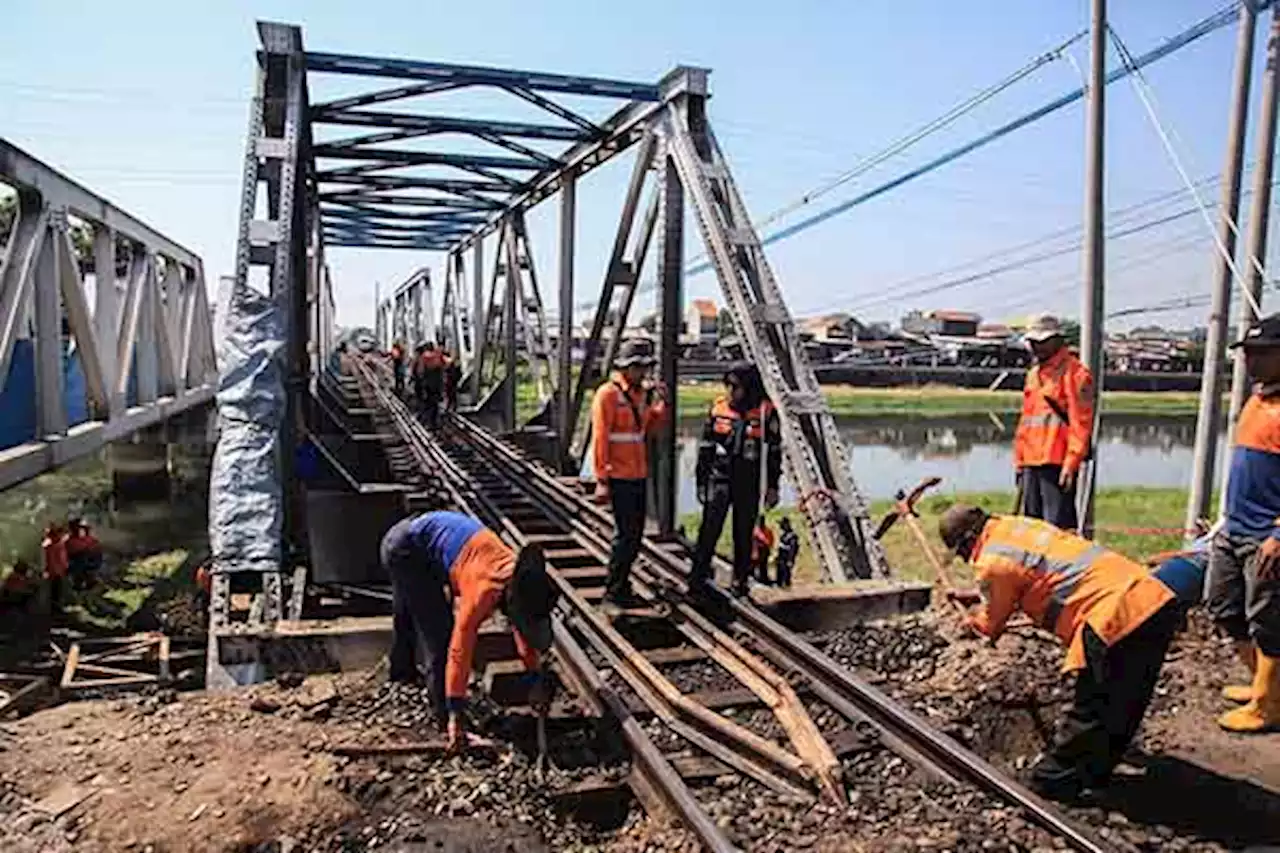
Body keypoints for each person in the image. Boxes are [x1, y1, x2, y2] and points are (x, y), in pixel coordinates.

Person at [939, 504, 1185, 802]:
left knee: (1092, 707)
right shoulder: (1019, 527)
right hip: (1152, 599)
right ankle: (1095, 773)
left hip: (1111, 616)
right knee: (1125, 704)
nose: (967, 561)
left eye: (963, 554)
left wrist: (971, 619)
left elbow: (989, 626)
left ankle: (1048, 783)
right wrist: (983, 594)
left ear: (967, 541)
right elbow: (1033, 573)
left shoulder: (992, 562)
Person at [379, 511, 560, 751]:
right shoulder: (483, 592)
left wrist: (533, 677)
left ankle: (401, 672)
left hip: (420, 539)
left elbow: (522, 628)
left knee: (411, 610)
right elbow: (458, 650)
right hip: (405, 549)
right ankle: (446, 721)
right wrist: (456, 711)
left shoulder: (517, 577)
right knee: (439, 637)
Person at [1206, 312, 1280, 734]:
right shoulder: (1257, 397)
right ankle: (1263, 685)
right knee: (1223, 605)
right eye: (1249, 353)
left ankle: (1269, 706)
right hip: (1234, 527)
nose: (1252, 360)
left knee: (1268, 620)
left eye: (1263, 353)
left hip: (1266, 536)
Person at [689, 364, 781, 597]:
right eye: (727, 385)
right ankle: (697, 579)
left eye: (736, 386)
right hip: (719, 479)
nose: (731, 391)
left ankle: (740, 581)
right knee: (709, 530)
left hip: (748, 481)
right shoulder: (718, 408)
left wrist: (772, 486)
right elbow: (705, 449)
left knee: (743, 533)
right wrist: (701, 482)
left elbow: (774, 454)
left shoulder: (765, 411)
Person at [590, 339, 668, 609]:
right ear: (627, 367)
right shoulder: (608, 394)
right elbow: (600, 438)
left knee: (635, 535)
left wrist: (660, 405)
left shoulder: (640, 395)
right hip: (619, 476)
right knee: (625, 535)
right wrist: (601, 480)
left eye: (645, 368)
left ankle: (622, 586)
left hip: (638, 474)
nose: (643, 374)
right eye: (639, 368)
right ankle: (613, 592)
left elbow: (647, 430)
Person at [1013, 314, 1095, 531]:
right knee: (1032, 528)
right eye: (1033, 342)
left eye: (1042, 341)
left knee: (1058, 530)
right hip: (1031, 460)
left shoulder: (1075, 373)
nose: (1036, 347)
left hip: (1057, 462)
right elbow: (1026, 422)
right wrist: (1019, 462)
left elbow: (1081, 423)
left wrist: (1071, 463)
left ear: (1057, 340)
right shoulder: (1033, 375)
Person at [65, 518, 102, 590]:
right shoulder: (71, 541)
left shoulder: (91, 540)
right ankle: (80, 582)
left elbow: (97, 548)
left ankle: (88, 580)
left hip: (90, 563)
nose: (81, 531)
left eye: (83, 529)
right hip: (78, 565)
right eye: (79, 529)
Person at [41, 522, 69, 612]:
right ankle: (56, 608)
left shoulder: (55, 545)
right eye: (65, 535)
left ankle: (55, 607)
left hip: (56, 571)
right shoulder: (56, 546)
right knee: (56, 591)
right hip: (56, 572)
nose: (67, 537)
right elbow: (56, 560)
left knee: (55, 591)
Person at [418, 342, 446, 429]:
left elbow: (420, 371)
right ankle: (435, 422)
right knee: (435, 403)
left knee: (428, 403)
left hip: (428, 383)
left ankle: (429, 422)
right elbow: (445, 365)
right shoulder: (438, 356)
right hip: (437, 384)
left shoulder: (424, 357)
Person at [775, 517, 799, 589]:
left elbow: (793, 548)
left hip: (786, 557)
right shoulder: (783, 535)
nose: (780, 527)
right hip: (781, 557)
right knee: (780, 571)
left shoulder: (792, 536)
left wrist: (790, 559)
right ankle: (780, 585)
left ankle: (786, 585)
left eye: (782, 525)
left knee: (786, 572)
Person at [752, 516, 775, 586]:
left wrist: (768, 546)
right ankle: (756, 577)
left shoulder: (767, 530)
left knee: (763, 564)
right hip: (757, 549)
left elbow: (771, 540)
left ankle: (764, 578)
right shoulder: (755, 530)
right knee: (755, 563)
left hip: (764, 549)